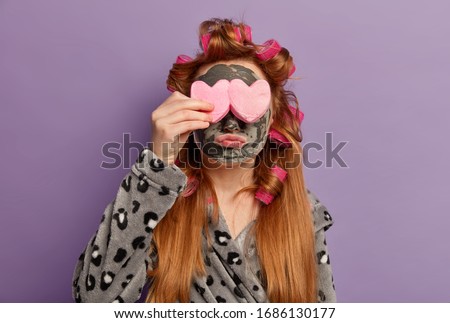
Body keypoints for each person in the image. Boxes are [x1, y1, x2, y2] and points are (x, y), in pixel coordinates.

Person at [72, 18, 336, 303]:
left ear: (273, 117)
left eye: (248, 104)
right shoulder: (161, 204)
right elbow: (93, 301)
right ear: (189, 113)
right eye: (217, 104)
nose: (232, 124)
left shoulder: (303, 212)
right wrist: (156, 164)